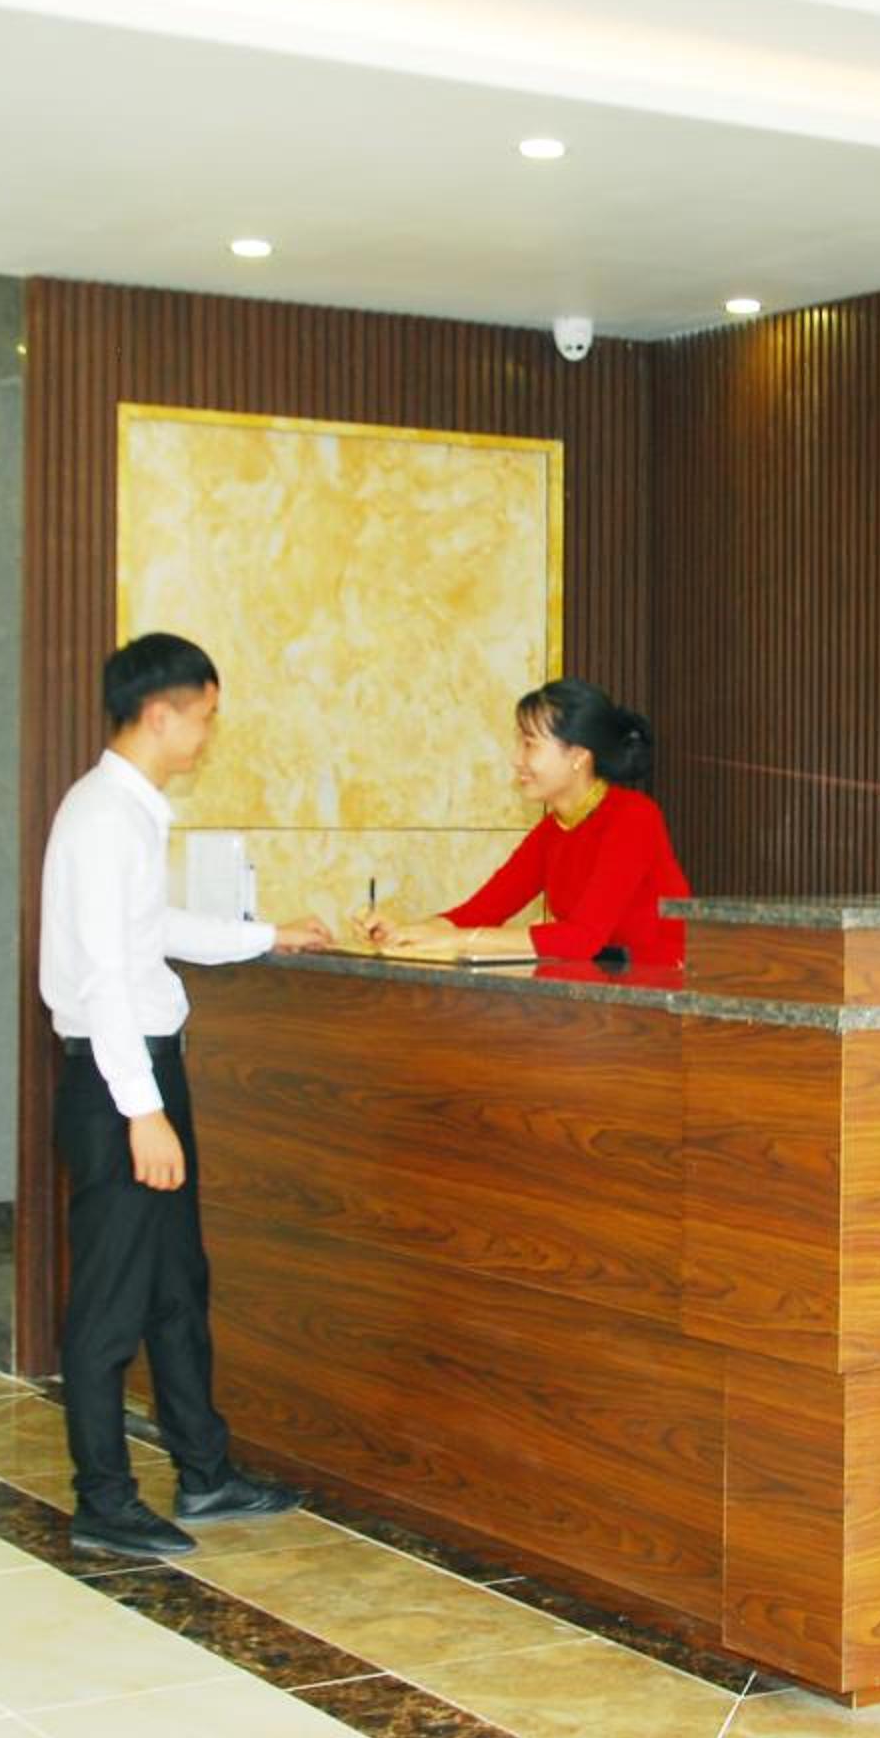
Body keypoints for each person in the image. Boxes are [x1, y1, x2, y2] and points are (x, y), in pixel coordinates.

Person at [39, 631, 334, 1557]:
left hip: (140, 1071)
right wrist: (143, 1110)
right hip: (118, 1082)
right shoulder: (103, 818)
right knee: (111, 1299)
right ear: (161, 714)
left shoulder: (127, 812)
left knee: (175, 1284)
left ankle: (205, 1471)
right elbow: (103, 978)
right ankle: (103, 1498)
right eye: (203, 717)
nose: (207, 735)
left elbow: (148, 929)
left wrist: (264, 936)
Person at [364, 678, 691, 965]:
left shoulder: (634, 817)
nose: (516, 759)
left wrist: (458, 940)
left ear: (578, 755)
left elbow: (581, 938)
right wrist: (406, 933)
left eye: (530, 744)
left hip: (664, 994)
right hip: (597, 993)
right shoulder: (552, 829)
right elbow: (478, 913)